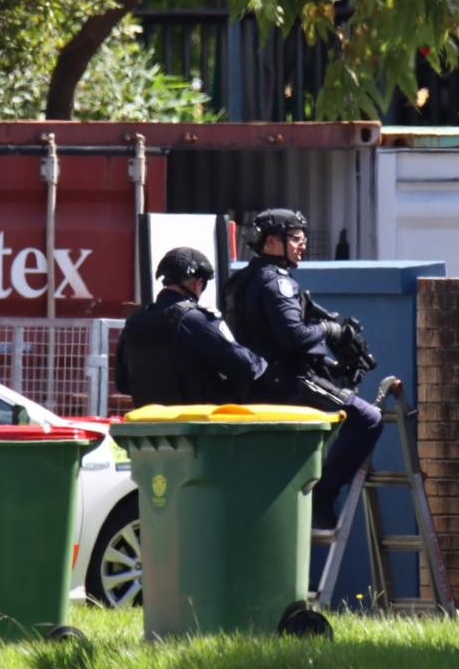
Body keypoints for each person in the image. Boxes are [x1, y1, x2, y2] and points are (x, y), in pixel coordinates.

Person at [224, 208, 384, 530]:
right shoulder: (276, 282)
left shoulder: (240, 281)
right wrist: (330, 331)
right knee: (369, 420)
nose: (303, 245)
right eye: (295, 238)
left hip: (255, 386)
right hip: (289, 383)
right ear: (271, 242)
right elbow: (294, 337)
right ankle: (323, 496)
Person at [115, 247, 267, 407]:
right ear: (198, 283)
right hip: (194, 424)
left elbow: (123, 382)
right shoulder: (196, 319)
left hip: (148, 424)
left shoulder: (135, 320)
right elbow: (245, 366)